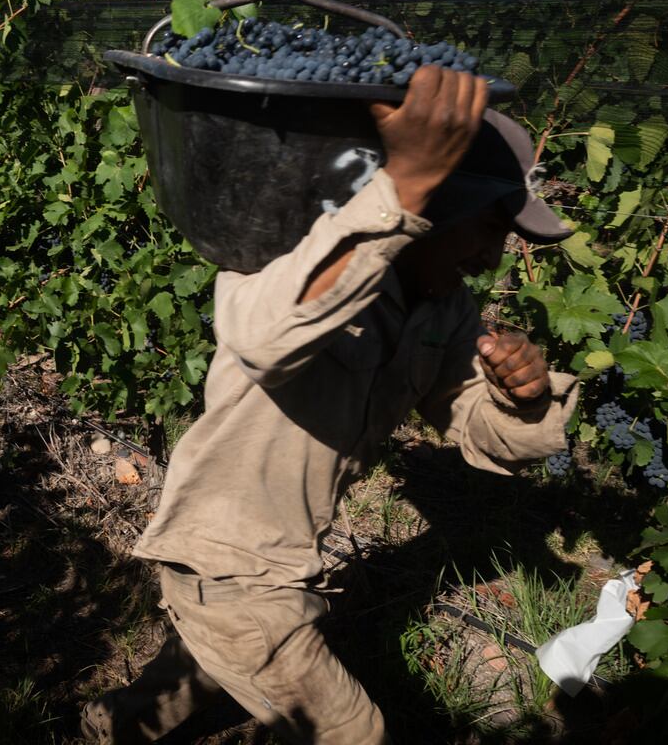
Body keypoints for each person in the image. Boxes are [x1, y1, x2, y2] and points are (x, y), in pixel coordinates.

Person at [82, 66, 579, 743]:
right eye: (489, 228)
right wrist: (398, 190)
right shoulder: (290, 260)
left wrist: (522, 401)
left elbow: (477, 431)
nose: (495, 256)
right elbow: (260, 338)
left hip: (282, 560)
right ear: (440, 202)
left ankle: (115, 726)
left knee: (200, 669)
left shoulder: (446, 308)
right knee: (352, 733)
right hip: (229, 562)